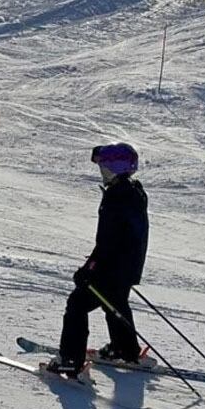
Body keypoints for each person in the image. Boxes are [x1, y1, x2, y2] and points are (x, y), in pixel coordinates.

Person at [47, 143, 150, 379]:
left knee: (77, 304)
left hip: (111, 268)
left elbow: (108, 242)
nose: (102, 172)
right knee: (115, 303)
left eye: (105, 168)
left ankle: (70, 361)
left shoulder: (116, 197)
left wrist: (89, 269)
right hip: (128, 267)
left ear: (116, 168)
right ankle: (124, 350)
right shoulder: (134, 191)